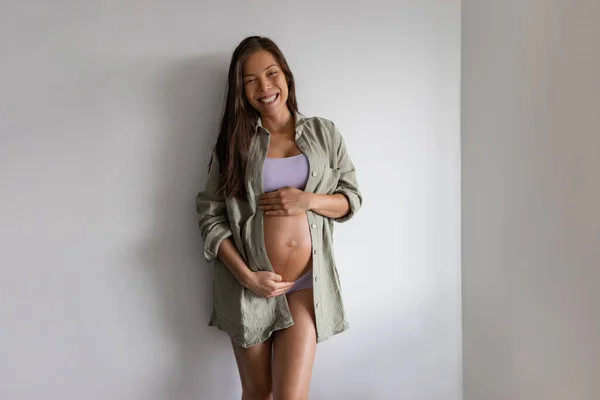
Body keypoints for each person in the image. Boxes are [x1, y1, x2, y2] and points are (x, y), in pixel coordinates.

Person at [195, 36, 363, 400]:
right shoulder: (234, 144)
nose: (264, 86)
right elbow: (210, 216)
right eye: (250, 79)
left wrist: (308, 200)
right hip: (248, 286)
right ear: (240, 90)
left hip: (304, 284)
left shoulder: (323, 133)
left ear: (286, 75)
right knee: (257, 393)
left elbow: (351, 200)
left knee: (291, 397)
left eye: (271, 73)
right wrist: (247, 276)